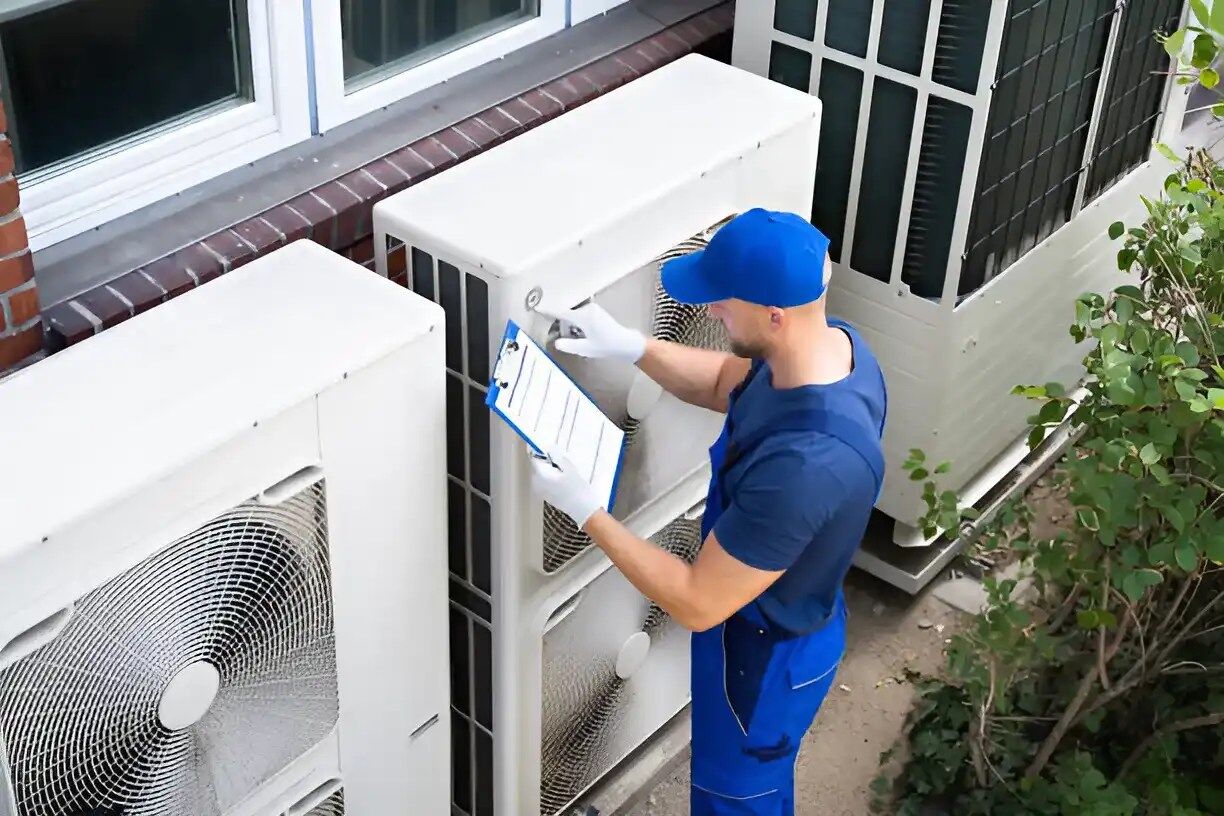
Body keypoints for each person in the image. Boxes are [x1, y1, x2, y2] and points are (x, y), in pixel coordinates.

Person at [530, 208, 887, 815]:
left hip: (762, 657)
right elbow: (726, 378)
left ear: (774, 316)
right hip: (771, 611)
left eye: (723, 301)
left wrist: (588, 512)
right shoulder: (832, 347)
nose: (712, 312)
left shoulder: (805, 466)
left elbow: (698, 600)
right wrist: (633, 347)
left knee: (737, 796)